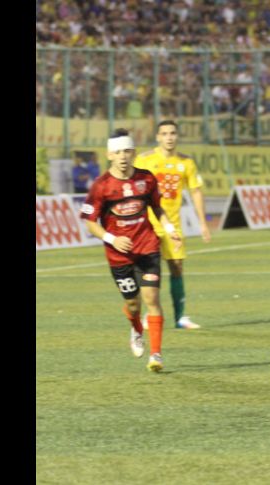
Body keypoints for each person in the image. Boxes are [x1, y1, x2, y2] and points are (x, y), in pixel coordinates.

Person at [80, 129, 182, 372]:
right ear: (109, 155)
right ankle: (136, 328)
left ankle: (156, 355)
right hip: (119, 255)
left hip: (147, 247)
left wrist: (169, 228)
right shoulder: (101, 186)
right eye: (117, 152)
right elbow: (90, 222)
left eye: (127, 151)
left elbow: (157, 208)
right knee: (134, 305)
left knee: (152, 299)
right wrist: (111, 238)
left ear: (134, 152)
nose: (123, 156)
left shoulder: (147, 179)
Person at [134, 120, 211, 330]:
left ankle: (180, 317)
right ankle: (148, 316)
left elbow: (196, 191)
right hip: (148, 224)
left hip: (172, 226)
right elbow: (133, 187)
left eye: (173, 133)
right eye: (165, 133)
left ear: (177, 136)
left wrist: (203, 223)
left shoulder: (186, 162)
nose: (169, 137)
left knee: (177, 268)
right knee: (149, 270)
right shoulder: (145, 159)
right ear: (158, 137)